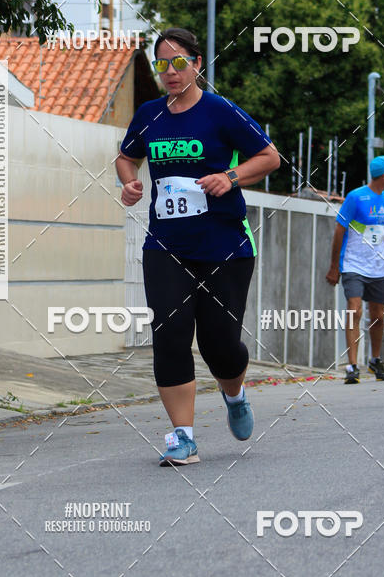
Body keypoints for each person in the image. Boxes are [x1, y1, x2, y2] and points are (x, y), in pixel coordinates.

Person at [116, 28, 280, 466]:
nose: (170, 72)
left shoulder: (221, 111)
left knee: (220, 343)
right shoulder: (150, 114)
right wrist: (129, 181)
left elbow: (269, 157)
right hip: (166, 246)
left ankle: (235, 392)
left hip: (225, 245)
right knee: (169, 336)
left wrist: (230, 177)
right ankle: (182, 436)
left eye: (179, 63)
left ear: (197, 64)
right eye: (162, 64)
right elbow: (126, 155)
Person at [325, 156, 384, 384]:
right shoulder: (356, 197)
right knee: (355, 310)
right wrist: (334, 267)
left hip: (378, 265)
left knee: (378, 315)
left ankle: (375, 359)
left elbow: (382, 231)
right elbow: (339, 232)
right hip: (354, 264)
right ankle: (352, 365)